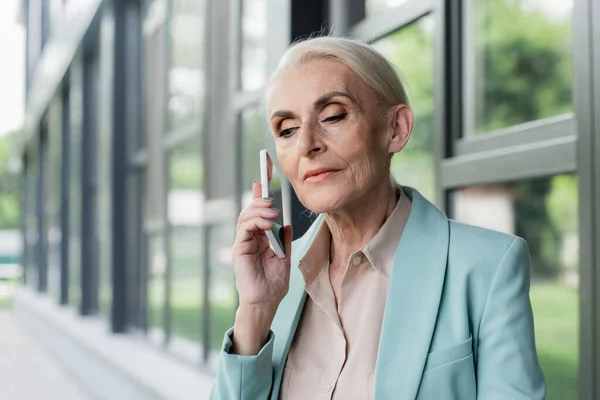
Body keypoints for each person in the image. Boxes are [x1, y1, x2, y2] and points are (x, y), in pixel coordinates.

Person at [210, 36, 546, 400]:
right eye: (287, 130)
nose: (306, 144)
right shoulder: (279, 276)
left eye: (333, 115)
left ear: (396, 129)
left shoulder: (486, 266)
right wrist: (256, 310)